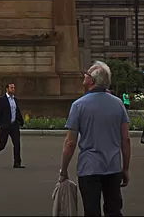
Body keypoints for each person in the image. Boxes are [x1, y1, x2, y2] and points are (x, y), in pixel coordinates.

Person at [59, 61, 130, 217]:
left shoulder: (78, 105)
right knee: (113, 210)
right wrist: (125, 168)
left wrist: (64, 170)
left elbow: (70, 143)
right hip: (113, 166)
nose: (84, 75)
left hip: (89, 167)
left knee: (91, 211)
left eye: (87, 74)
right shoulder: (118, 104)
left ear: (92, 80)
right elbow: (126, 140)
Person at [0, 82, 24, 169]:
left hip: (14, 125)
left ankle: (17, 163)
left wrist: (20, 121)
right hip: (5, 125)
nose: (13, 89)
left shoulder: (15, 100)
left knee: (17, 144)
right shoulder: (2, 100)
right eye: (11, 88)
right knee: (2, 144)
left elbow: (17, 111)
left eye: (14, 88)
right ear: (7, 89)